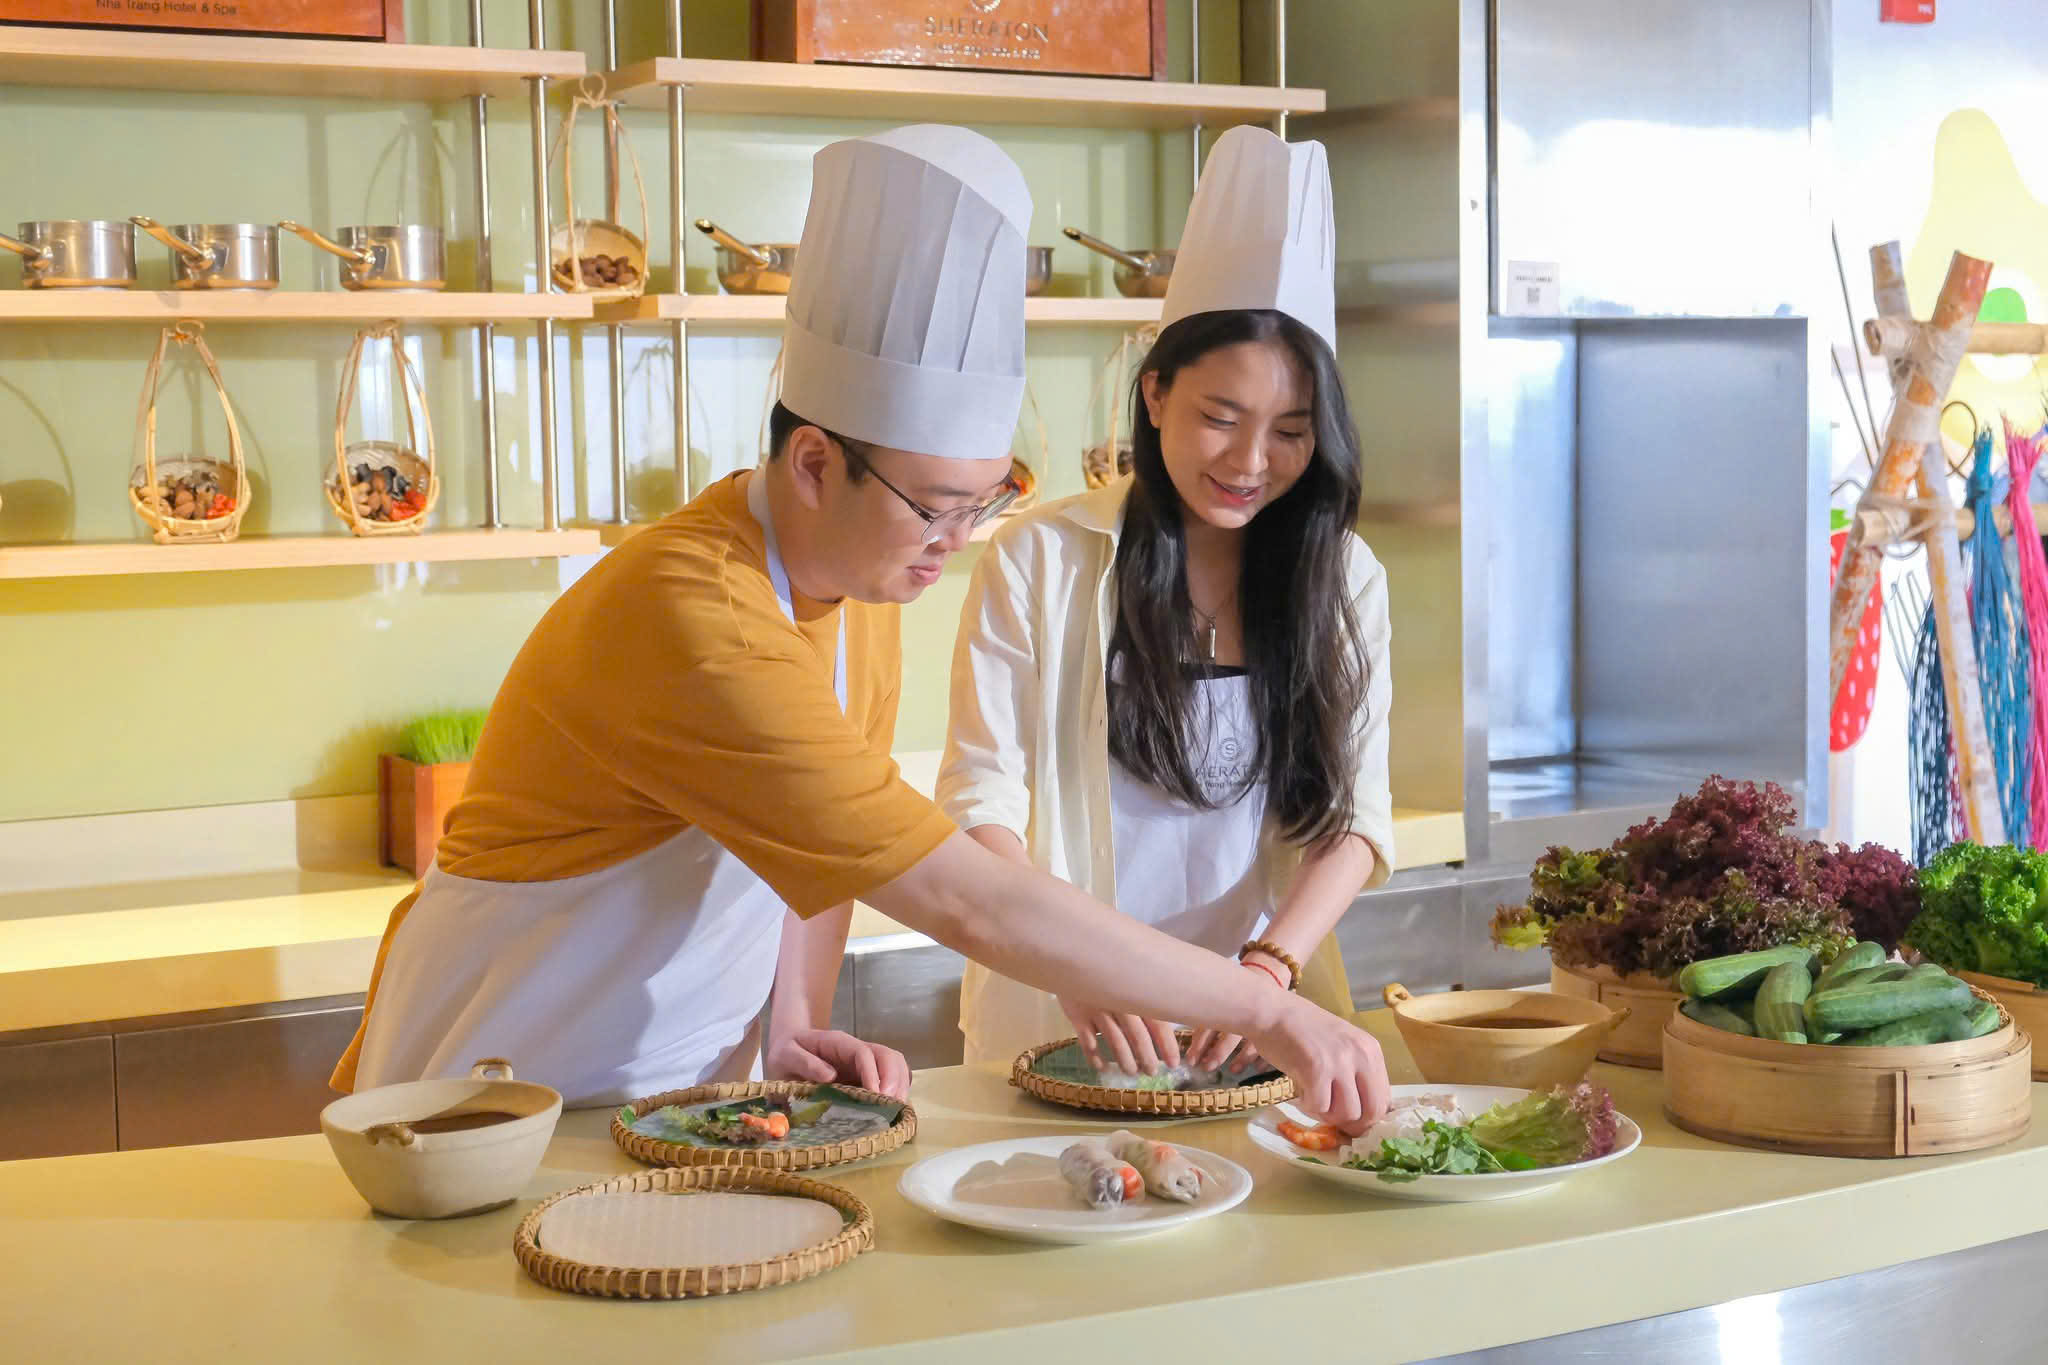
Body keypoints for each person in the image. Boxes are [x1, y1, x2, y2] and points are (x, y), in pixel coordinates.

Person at [331, 124, 1392, 1131]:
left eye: (985, 501)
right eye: (936, 507)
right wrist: (1266, 1007)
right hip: (498, 1078)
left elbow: (816, 850)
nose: (957, 541)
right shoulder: (694, 613)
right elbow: (960, 897)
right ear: (813, 465)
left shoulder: (857, 588)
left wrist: (791, 1018)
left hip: (672, 1086)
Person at [941, 125, 1394, 1078]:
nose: (1249, 461)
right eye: (1219, 418)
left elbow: (1357, 819)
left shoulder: (1346, 578)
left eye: (1290, 432)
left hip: (1251, 1036)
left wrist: (1268, 972)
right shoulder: (1041, 560)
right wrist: (1071, 959)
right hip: (1058, 1028)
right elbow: (980, 800)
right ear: (1154, 395)